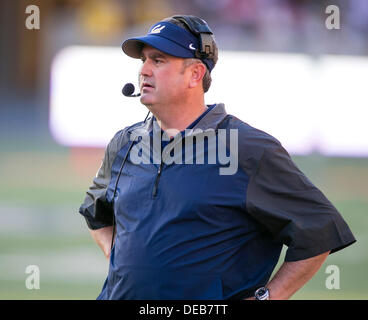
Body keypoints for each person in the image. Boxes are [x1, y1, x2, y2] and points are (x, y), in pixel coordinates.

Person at [78, 15, 356, 300]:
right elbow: (95, 212)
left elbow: (319, 229)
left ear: (195, 74)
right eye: (144, 60)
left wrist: (268, 297)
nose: (144, 71)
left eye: (158, 60)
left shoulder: (246, 148)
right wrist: (124, 259)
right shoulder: (124, 142)